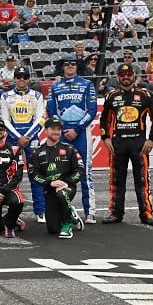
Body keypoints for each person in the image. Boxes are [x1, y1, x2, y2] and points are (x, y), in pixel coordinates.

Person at [99, 64, 153, 226]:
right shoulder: (111, 96)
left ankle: (146, 214)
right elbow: (103, 120)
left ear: (133, 75)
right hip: (118, 145)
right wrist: (105, 138)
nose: (126, 77)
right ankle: (115, 213)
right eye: (122, 74)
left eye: (128, 74)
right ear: (118, 77)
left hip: (139, 145)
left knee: (142, 181)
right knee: (116, 181)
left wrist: (152, 139)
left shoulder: (145, 94)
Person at [46, 54, 98, 224]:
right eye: (67, 64)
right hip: (62, 134)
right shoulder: (55, 87)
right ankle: (62, 211)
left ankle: (90, 211)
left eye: (73, 64)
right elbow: (51, 110)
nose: (70, 66)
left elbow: (91, 110)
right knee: (59, 173)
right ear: (62, 66)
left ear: (77, 66)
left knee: (85, 172)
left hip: (81, 133)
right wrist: (60, 129)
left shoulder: (87, 84)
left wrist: (76, 129)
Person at [0, 66, 47, 223]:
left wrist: (28, 136)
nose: (21, 79)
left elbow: (41, 119)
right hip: (13, 139)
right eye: (18, 76)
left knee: (36, 174)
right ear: (14, 78)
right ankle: (13, 212)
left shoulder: (37, 96)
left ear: (29, 79)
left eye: (25, 76)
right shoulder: (6, 96)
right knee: (11, 175)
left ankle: (40, 210)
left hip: (31, 139)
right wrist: (18, 136)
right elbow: (4, 119)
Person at [29, 118, 85, 239]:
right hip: (49, 190)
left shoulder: (69, 149)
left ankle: (67, 225)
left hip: (67, 187)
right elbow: (33, 174)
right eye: (53, 129)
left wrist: (66, 182)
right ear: (46, 131)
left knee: (61, 194)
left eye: (59, 129)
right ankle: (71, 214)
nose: (56, 132)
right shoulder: (37, 152)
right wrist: (50, 182)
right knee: (53, 229)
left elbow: (80, 170)